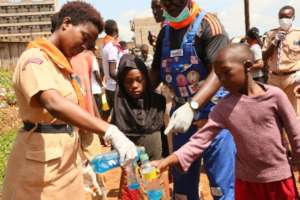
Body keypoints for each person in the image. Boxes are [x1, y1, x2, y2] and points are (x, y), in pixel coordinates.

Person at [2, 2, 136, 200]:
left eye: (89, 45)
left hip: (67, 165)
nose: (83, 47)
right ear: (66, 23)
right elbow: (53, 103)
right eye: (84, 38)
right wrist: (109, 130)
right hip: (40, 170)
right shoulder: (34, 59)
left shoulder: (63, 68)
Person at [154, 44, 300, 200]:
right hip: (247, 182)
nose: (222, 81)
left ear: (248, 66)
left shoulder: (275, 97)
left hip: (279, 179)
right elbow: (200, 139)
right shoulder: (224, 107)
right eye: (218, 76)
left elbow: (295, 133)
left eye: (226, 73)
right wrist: (169, 160)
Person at [150, 0, 236, 199]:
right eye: (165, 1)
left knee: (220, 186)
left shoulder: (209, 25)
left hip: (213, 116)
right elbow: (156, 70)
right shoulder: (165, 32)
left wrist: (194, 105)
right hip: (181, 117)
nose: (170, 4)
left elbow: (218, 71)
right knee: (182, 183)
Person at [113, 54, 165, 160]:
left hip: (154, 158)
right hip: (130, 158)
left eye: (139, 80)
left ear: (146, 78)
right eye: (128, 81)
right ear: (122, 84)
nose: (134, 85)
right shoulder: (119, 107)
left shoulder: (158, 102)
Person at [263, 5, 300, 117]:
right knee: (275, 113)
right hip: (274, 79)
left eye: (287, 17)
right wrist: (274, 42)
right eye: (281, 17)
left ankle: (295, 134)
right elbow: (264, 56)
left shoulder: (298, 34)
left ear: (293, 18)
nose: (284, 20)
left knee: (294, 113)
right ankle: (280, 135)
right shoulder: (271, 34)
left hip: (292, 79)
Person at [102, 19, 122, 119]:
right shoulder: (112, 47)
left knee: (113, 116)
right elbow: (112, 72)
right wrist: (123, 82)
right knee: (119, 118)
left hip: (109, 87)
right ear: (116, 29)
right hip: (116, 87)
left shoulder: (105, 46)